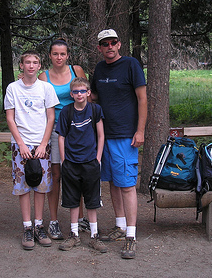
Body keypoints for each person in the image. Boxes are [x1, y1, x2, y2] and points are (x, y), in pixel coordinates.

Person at [90, 29, 147, 259]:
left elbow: (142, 98)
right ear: (100, 48)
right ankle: (120, 225)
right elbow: (93, 96)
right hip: (105, 135)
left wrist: (140, 131)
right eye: (105, 44)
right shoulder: (100, 69)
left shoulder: (131, 65)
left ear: (120, 44)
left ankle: (131, 236)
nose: (110, 47)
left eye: (113, 42)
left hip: (126, 135)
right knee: (113, 181)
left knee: (127, 185)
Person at [4, 50, 59, 250]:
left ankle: (39, 225)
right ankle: (27, 227)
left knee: (41, 184)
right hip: (21, 144)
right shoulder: (12, 88)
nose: (31, 66)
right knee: (23, 185)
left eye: (35, 62)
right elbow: (10, 118)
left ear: (39, 66)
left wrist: (44, 143)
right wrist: (21, 144)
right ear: (21, 65)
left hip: (41, 142)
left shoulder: (46, 88)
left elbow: (51, 117)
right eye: (27, 62)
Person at [37, 39, 89, 239]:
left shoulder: (76, 71)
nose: (59, 57)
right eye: (55, 54)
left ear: (68, 55)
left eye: (63, 54)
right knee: (56, 175)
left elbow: (88, 97)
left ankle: (82, 218)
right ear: (49, 55)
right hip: (55, 130)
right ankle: (54, 221)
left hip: (79, 129)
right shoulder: (44, 76)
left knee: (80, 174)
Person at [55, 77, 108, 253]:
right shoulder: (66, 112)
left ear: (88, 93)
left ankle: (94, 236)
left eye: (82, 91)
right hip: (71, 162)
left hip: (90, 162)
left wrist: (98, 158)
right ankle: (74, 234)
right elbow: (61, 136)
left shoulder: (95, 110)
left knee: (92, 200)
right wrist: (64, 160)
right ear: (71, 94)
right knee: (72, 199)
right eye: (76, 91)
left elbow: (101, 135)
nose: (79, 94)